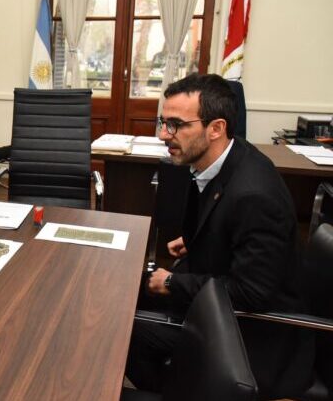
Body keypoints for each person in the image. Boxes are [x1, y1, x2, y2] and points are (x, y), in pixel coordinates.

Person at [125, 74, 313, 398]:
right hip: (218, 305)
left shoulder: (255, 195)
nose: (162, 134)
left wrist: (171, 283)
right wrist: (202, 238)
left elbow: (250, 293)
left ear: (216, 128)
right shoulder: (225, 157)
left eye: (175, 125)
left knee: (117, 328)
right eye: (162, 122)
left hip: (249, 337)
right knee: (124, 292)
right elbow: (228, 224)